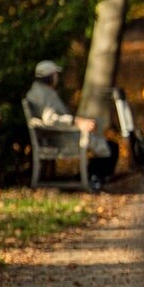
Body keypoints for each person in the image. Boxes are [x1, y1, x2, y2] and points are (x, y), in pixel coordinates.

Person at [25, 60, 119, 190]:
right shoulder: (44, 94)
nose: (57, 78)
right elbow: (50, 119)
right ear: (50, 76)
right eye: (55, 75)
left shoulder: (39, 91)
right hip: (61, 138)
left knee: (109, 145)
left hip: (57, 136)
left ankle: (90, 176)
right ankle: (92, 178)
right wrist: (76, 122)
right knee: (111, 147)